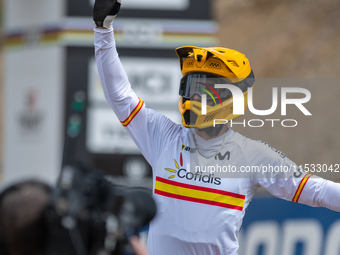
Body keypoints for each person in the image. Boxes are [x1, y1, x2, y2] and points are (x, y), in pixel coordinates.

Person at [93, 1, 340, 254]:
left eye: (204, 90)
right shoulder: (163, 137)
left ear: (231, 97)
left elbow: (316, 190)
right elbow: (119, 96)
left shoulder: (252, 155)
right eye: (191, 88)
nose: (193, 98)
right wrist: (103, 30)